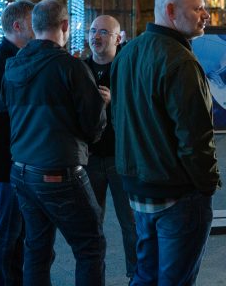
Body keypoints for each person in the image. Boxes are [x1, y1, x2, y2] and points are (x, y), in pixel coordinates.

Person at [111, 0, 221, 285]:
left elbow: (119, 120)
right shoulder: (181, 62)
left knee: (145, 275)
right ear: (171, 11)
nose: (206, 15)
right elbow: (195, 138)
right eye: (198, 8)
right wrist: (207, 184)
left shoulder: (127, 54)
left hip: (138, 190)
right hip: (177, 193)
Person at [0, 0, 107, 286]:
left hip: (22, 171)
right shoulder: (71, 67)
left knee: (36, 248)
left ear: (34, 27)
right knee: (90, 246)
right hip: (59, 172)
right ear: (65, 25)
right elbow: (93, 123)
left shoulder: (12, 65)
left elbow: (5, 116)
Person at [0, 0, 35, 285]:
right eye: (33, 22)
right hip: (7, 157)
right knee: (8, 227)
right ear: (17, 26)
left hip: (16, 155)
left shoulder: (17, 57)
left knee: (17, 228)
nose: (38, 28)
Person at [84, 15, 137, 281]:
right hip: (89, 159)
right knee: (91, 226)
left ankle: (136, 277)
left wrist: (113, 101)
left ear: (118, 38)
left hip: (121, 158)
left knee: (131, 224)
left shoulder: (128, 69)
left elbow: (140, 109)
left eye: (104, 32)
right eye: (93, 30)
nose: (96, 36)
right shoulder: (80, 70)